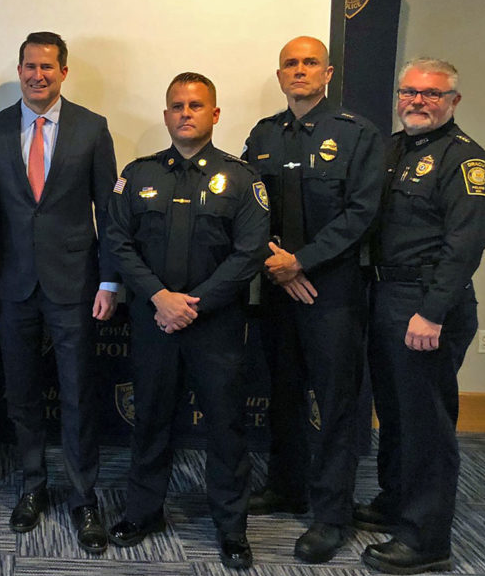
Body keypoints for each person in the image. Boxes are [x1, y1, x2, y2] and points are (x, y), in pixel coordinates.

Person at [106, 72, 268, 570]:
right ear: (165, 115)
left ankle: (231, 527)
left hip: (214, 325)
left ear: (215, 115)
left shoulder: (242, 179)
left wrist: (191, 303)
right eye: (176, 105)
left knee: (225, 427)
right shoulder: (138, 175)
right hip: (154, 319)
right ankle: (143, 511)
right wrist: (159, 297)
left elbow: (250, 253)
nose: (185, 113)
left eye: (196, 105)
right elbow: (117, 241)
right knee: (150, 418)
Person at [0, 31, 117, 553]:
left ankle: (83, 497)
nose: (38, 75)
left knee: (78, 393)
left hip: (75, 284)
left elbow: (110, 210)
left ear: (64, 71)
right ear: (19, 69)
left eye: (48, 67)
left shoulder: (92, 128)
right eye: (30, 66)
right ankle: (32, 486)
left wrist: (109, 278)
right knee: (22, 393)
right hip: (10, 284)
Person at [242, 35, 383, 563]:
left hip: (333, 292)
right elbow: (246, 206)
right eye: (289, 64)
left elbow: (362, 212)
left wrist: (302, 262)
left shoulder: (356, 134)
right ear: (280, 76)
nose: (299, 70)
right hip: (278, 288)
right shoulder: (262, 135)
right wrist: (277, 264)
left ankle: (332, 514)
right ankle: (286, 484)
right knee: (282, 394)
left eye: (309, 63)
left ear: (327, 73)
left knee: (336, 406)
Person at [359, 58, 485, 575]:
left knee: (428, 425)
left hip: (427, 304)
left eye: (432, 94)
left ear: (453, 101)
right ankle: (394, 502)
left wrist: (431, 313)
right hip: (386, 296)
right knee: (394, 413)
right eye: (410, 91)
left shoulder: (465, 160)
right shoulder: (390, 149)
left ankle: (426, 537)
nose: (418, 101)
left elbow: (465, 244)